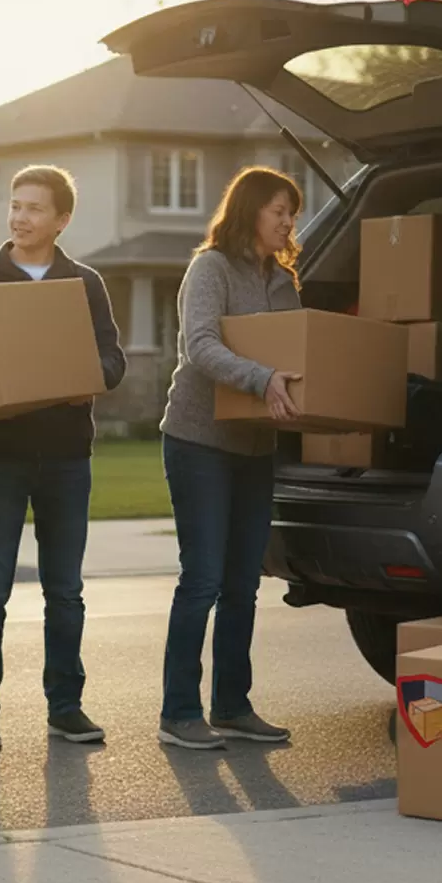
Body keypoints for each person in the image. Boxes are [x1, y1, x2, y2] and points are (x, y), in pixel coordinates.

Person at [0, 165, 126, 749]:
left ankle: (66, 707)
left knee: (65, 590)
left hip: (65, 457)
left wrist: (87, 378)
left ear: (61, 220)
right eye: (15, 205)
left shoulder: (84, 283)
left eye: (33, 208)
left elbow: (113, 360)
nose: (20, 217)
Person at [157, 166, 305, 750]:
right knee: (203, 578)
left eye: (292, 213)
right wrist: (262, 378)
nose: (288, 222)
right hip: (199, 441)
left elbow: (296, 351)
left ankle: (232, 706)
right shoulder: (210, 268)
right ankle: (178, 713)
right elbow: (200, 346)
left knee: (244, 582)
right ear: (251, 211)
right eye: (279, 211)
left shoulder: (284, 281)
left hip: (255, 444)